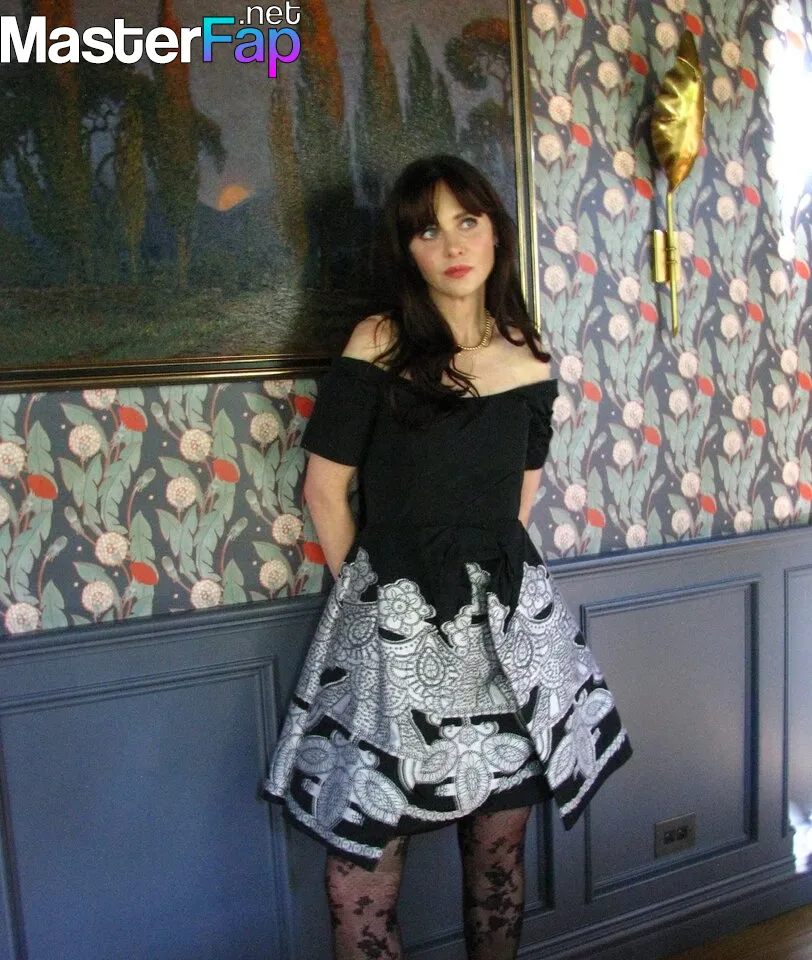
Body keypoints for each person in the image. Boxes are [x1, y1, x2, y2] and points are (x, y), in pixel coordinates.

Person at [266, 155, 631, 960]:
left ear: (496, 232)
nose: (454, 245)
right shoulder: (378, 342)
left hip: (505, 633)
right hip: (395, 623)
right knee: (361, 869)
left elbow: (516, 509)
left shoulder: (529, 357)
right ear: (407, 249)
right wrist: (379, 603)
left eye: (468, 221)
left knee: (498, 852)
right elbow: (324, 492)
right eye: (428, 230)